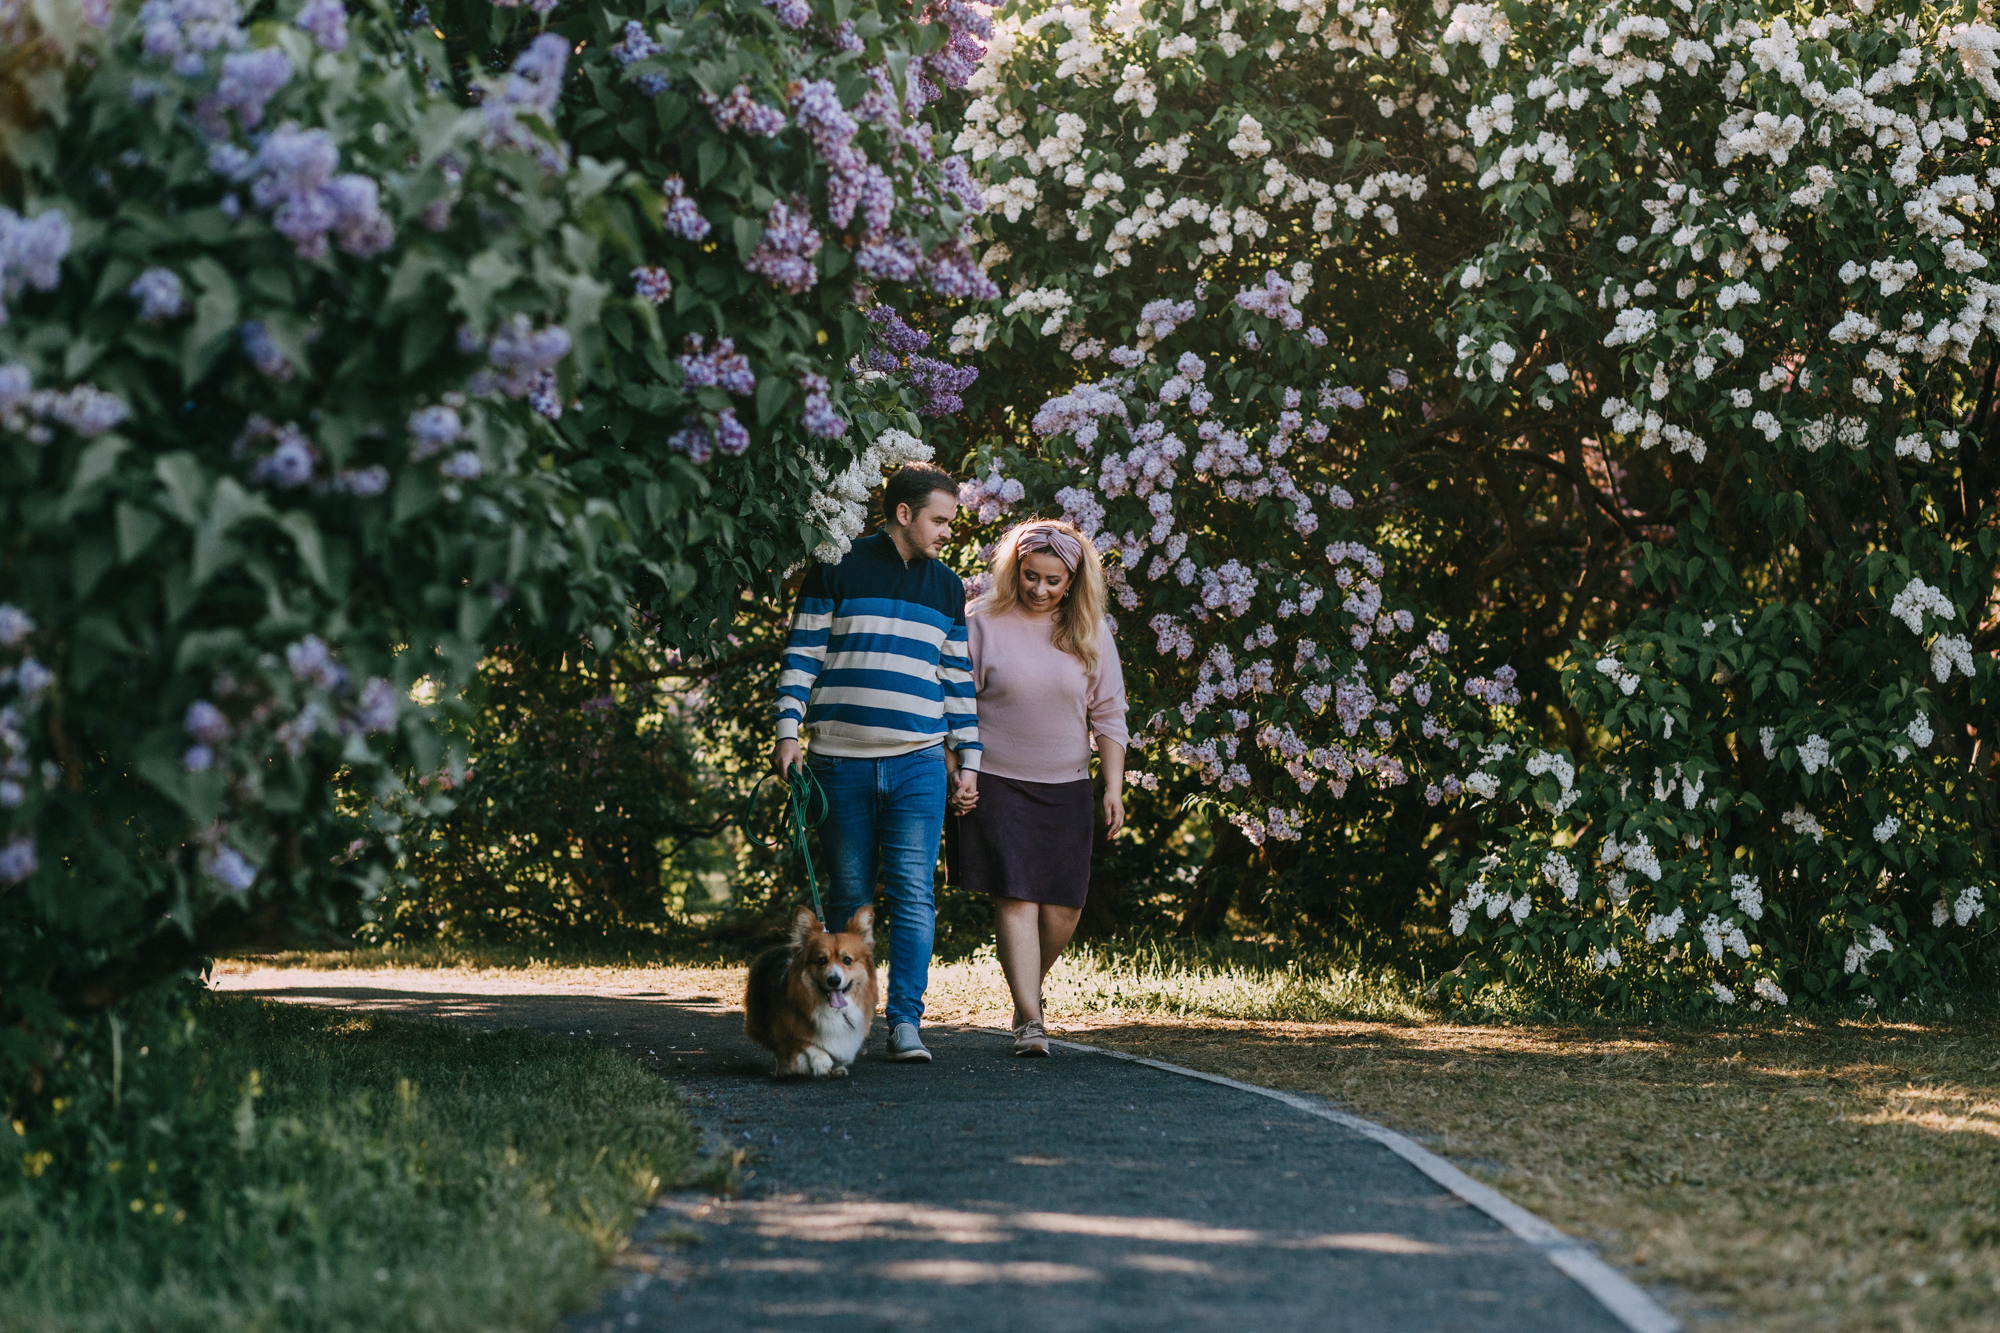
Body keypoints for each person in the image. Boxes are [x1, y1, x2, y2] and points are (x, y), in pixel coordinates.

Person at [772, 463, 979, 1063]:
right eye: (939, 520)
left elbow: (957, 681)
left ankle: (906, 1022)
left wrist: (970, 760)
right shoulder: (837, 564)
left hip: (918, 763)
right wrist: (789, 730)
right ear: (904, 514)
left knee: (914, 893)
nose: (947, 532)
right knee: (850, 898)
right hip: (839, 764)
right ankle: (842, 1023)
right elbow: (802, 654)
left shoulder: (946, 586)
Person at [949, 519, 1127, 1057]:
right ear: (1014, 569)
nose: (1040, 589)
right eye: (1030, 576)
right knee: (1018, 895)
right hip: (995, 780)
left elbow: (1110, 715)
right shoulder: (981, 621)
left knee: (1063, 909)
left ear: (1072, 582)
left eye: (1053, 581)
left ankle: (1027, 987)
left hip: (1067, 786)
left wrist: (1112, 789)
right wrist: (956, 771)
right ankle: (1030, 1019)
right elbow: (953, 706)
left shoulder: (1090, 630)